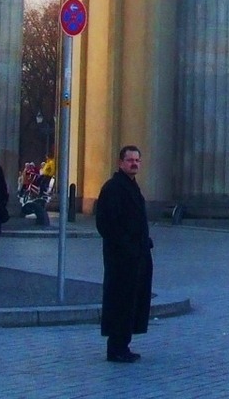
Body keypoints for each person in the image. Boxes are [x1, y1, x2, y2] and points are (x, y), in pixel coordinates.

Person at [96, 145, 153, 363]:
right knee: (120, 301)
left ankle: (124, 343)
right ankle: (116, 347)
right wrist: (125, 245)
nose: (134, 164)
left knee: (131, 300)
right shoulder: (112, 188)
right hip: (121, 258)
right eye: (130, 160)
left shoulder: (132, 186)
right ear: (120, 163)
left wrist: (143, 241)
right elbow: (106, 223)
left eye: (137, 160)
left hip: (136, 255)